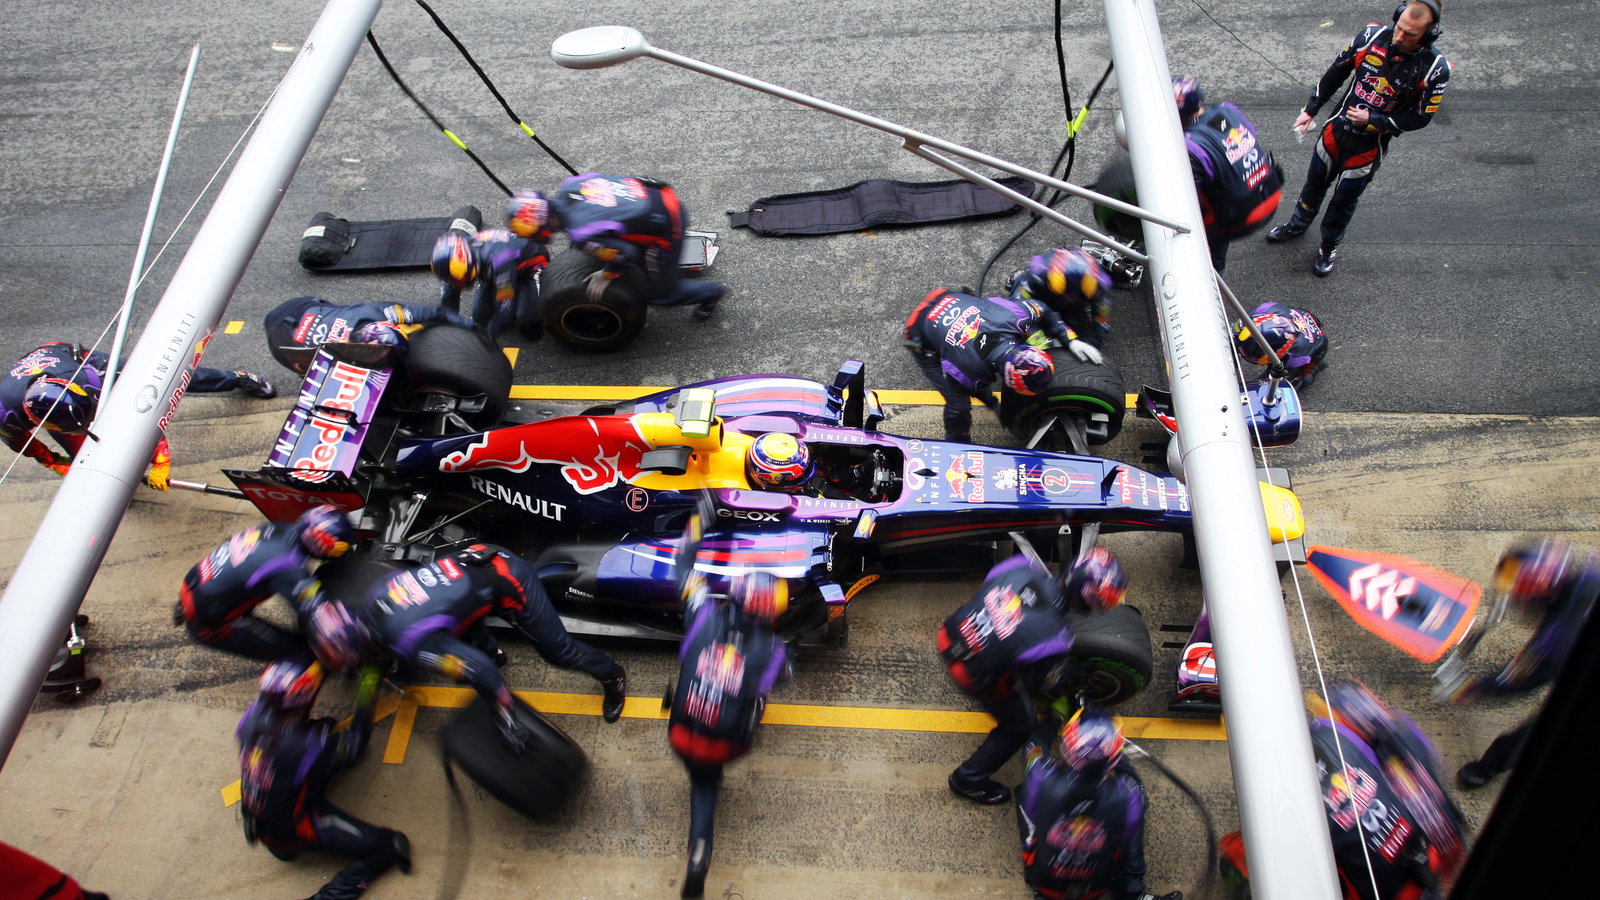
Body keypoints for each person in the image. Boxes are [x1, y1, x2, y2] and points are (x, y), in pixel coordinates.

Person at [356, 543, 628, 747]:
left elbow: (483, 674)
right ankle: (493, 651)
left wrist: (506, 720)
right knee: (462, 629)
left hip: (509, 581)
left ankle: (612, 675)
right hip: (474, 565)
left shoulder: (407, 641)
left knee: (559, 652)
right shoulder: (374, 598)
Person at [1220, 680, 1464, 900]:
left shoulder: (1293, 800)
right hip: (1424, 865)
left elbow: (1275, 854)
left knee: (1239, 859)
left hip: (1382, 888)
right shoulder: (1337, 737)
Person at [1264, 1, 1452, 276]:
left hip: (1369, 146)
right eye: (1399, 27)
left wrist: (1374, 122)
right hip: (1335, 132)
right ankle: (1298, 223)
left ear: (1428, 34)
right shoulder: (1371, 37)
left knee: (1344, 200)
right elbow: (1336, 71)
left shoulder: (1435, 68)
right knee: (1314, 183)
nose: (1399, 36)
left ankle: (1329, 245)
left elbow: (1421, 117)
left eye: (1410, 34)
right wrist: (1310, 110)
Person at [937, 551, 1127, 804]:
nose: (1101, 607)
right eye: (1100, 600)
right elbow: (1039, 683)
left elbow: (987, 589)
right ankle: (967, 780)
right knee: (1020, 725)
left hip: (949, 633)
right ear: (1084, 597)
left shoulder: (1020, 565)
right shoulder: (1054, 639)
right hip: (968, 672)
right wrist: (1067, 674)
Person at [237, 656, 412, 900]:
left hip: (261, 811)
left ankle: (284, 846)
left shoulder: (250, 719)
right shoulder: (304, 745)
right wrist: (369, 684)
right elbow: (355, 742)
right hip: (292, 825)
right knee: (389, 846)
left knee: (322, 743)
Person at [667, 570, 792, 898]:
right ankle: (699, 853)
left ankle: (697, 861)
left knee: (700, 781)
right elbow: (782, 677)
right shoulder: (774, 650)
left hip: (680, 731)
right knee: (707, 785)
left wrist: (696, 528)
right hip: (723, 746)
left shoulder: (703, 612)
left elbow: (684, 570)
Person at [2, 340, 273, 483]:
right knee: (84, 452)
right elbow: (23, 444)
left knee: (170, 378)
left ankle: (236, 377)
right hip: (40, 377)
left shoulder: (93, 377)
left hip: (63, 356)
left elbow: (146, 407)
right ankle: (111, 481)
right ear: (38, 421)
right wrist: (52, 460)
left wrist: (161, 458)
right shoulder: (6, 417)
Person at [1445, 539, 1599, 788]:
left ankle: (1486, 768)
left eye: (1521, 593)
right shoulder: (1589, 575)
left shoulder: (1559, 637)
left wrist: (1479, 688)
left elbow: (1519, 679)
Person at [1016, 707, 1182, 900]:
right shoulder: (1128, 794)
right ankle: (1132, 891)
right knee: (1133, 816)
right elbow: (1135, 787)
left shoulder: (1041, 778)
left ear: (1067, 747)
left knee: (1025, 792)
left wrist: (1056, 715)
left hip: (1043, 881)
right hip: (1096, 888)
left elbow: (1033, 745)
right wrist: (1118, 755)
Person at [903, 290, 1103, 443]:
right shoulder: (972, 373)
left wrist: (1069, 339)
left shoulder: (1016, 317)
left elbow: (1041, 309)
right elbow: (976, 389)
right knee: (958, 405)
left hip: (949, 297)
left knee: (1000, 308)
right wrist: (993, 404)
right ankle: (956, 443)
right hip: (918, 327)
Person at [175, 505, 355, 662]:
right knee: (304, 651)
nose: (339, 553)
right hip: (212, 623)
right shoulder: (289, 565)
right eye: (339, 549)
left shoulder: (279, 529)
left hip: (198, 584)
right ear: (319, 542)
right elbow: (313, 611)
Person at [550, 172, 725, 320]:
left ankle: (712, 292)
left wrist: (606, 274)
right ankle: (669, 265)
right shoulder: (570, 185)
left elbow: (628, 255)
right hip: (657, 198)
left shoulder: (581, 235)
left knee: (658, 293)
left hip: (668, 224)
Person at [1173, 76, 1284, 274]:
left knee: (1207, 240)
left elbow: (1182, 194)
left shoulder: (1189, 146)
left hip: (1239, 218)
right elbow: (1251, 134)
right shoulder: (1227, 109)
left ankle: (1212, 277)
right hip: (1269, 193)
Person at [431, 190, 552, 338]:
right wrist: (447, 328)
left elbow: (504, 308)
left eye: (461, 278)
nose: (459, 283)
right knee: (480, 317)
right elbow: (448, 299)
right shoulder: (452, 262)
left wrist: (487, 339)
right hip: (493, 268)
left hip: (531, 265)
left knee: (526, 322)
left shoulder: (500, 262)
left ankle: (534, 325)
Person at [263, 295, 476, 374]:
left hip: (307, 308)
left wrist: (466, 324)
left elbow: (427, 313)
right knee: (310, 370)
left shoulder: (374, 312)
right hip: (283, 335)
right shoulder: (337, 355)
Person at [1007, 248, 1114, 348]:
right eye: (1067, 295)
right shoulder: (1039, 271)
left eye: (1073, 296)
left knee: (1082, 330)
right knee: (1018, 328)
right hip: (1043, 294)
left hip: (1076, 306)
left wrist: (1090, 344)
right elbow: (1016, 307)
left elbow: (1101, 321)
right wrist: (1040, 342)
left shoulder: (1100, 284)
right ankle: (1019, 277)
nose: (1069, 297)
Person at [1233, 301, 1329, 389]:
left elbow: (1270, 380)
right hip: (1297, 314)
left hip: (1317, 341)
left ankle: (1312, 370)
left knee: (1292, 381)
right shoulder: (1264, 309)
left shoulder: (1297, 357)